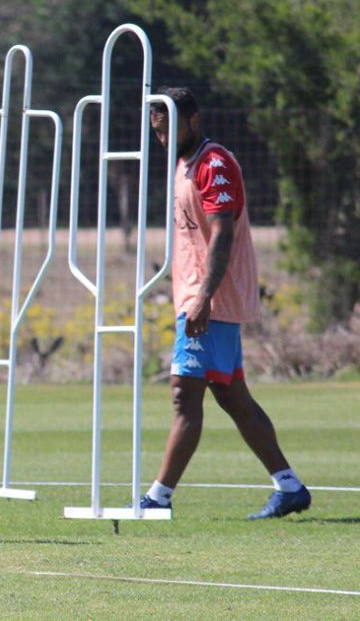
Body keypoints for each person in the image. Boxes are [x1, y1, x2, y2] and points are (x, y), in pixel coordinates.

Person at [142, 86, 310, 519]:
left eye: (169, 129)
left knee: (183, 394)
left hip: (209, 301)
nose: (163, 139)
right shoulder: (183, 163)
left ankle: (158, 498)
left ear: (194, 121)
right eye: (157, 132)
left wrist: (203, 297)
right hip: (198, 297)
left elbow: (223, 233)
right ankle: (289, 486)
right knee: (232, 396)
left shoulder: (213, 163)